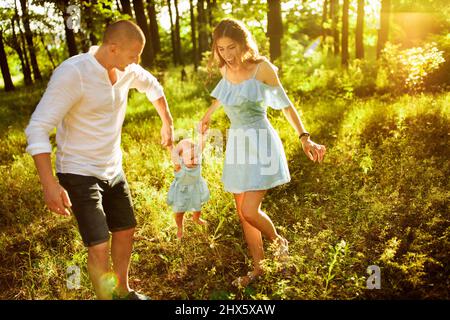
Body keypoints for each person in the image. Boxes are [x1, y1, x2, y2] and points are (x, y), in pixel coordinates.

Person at [24, 20, 174, 300]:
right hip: (78, 171)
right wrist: (48, 183)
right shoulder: (74, 73)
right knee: (99, 243)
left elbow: (153, 87)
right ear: (113, 48)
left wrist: (167, 121)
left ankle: (124, 291)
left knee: (126, 229)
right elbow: (38, 128)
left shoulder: (126, 68)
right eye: (134, 55)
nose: (137, 61)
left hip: (112, 167)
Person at [198, 18, 326, 287]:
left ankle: (280, 243)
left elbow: (286, 106)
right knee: (243, 214)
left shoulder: (262, 68)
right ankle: (259, 269)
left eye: (231, 47)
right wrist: (209, 114)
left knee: (250, 210)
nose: (227, 54)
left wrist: (305, 138)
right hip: (237, 145)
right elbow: (225, 94)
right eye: (221, 49)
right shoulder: (225, 69)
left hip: (260, 143)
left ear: (244, 43)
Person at [167, 134, 209, 239]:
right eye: (191, 158)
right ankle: (180, 227)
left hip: (195, 189)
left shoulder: (196, 161)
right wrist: (169, 144)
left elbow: (201, 146)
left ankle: (196, 218)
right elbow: (173, 153)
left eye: (196, 156)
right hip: (182, 192)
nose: (195, 160)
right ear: (181, 158)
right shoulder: (179, 166)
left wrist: (203, 135)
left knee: (197, 207)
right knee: (179, 212)